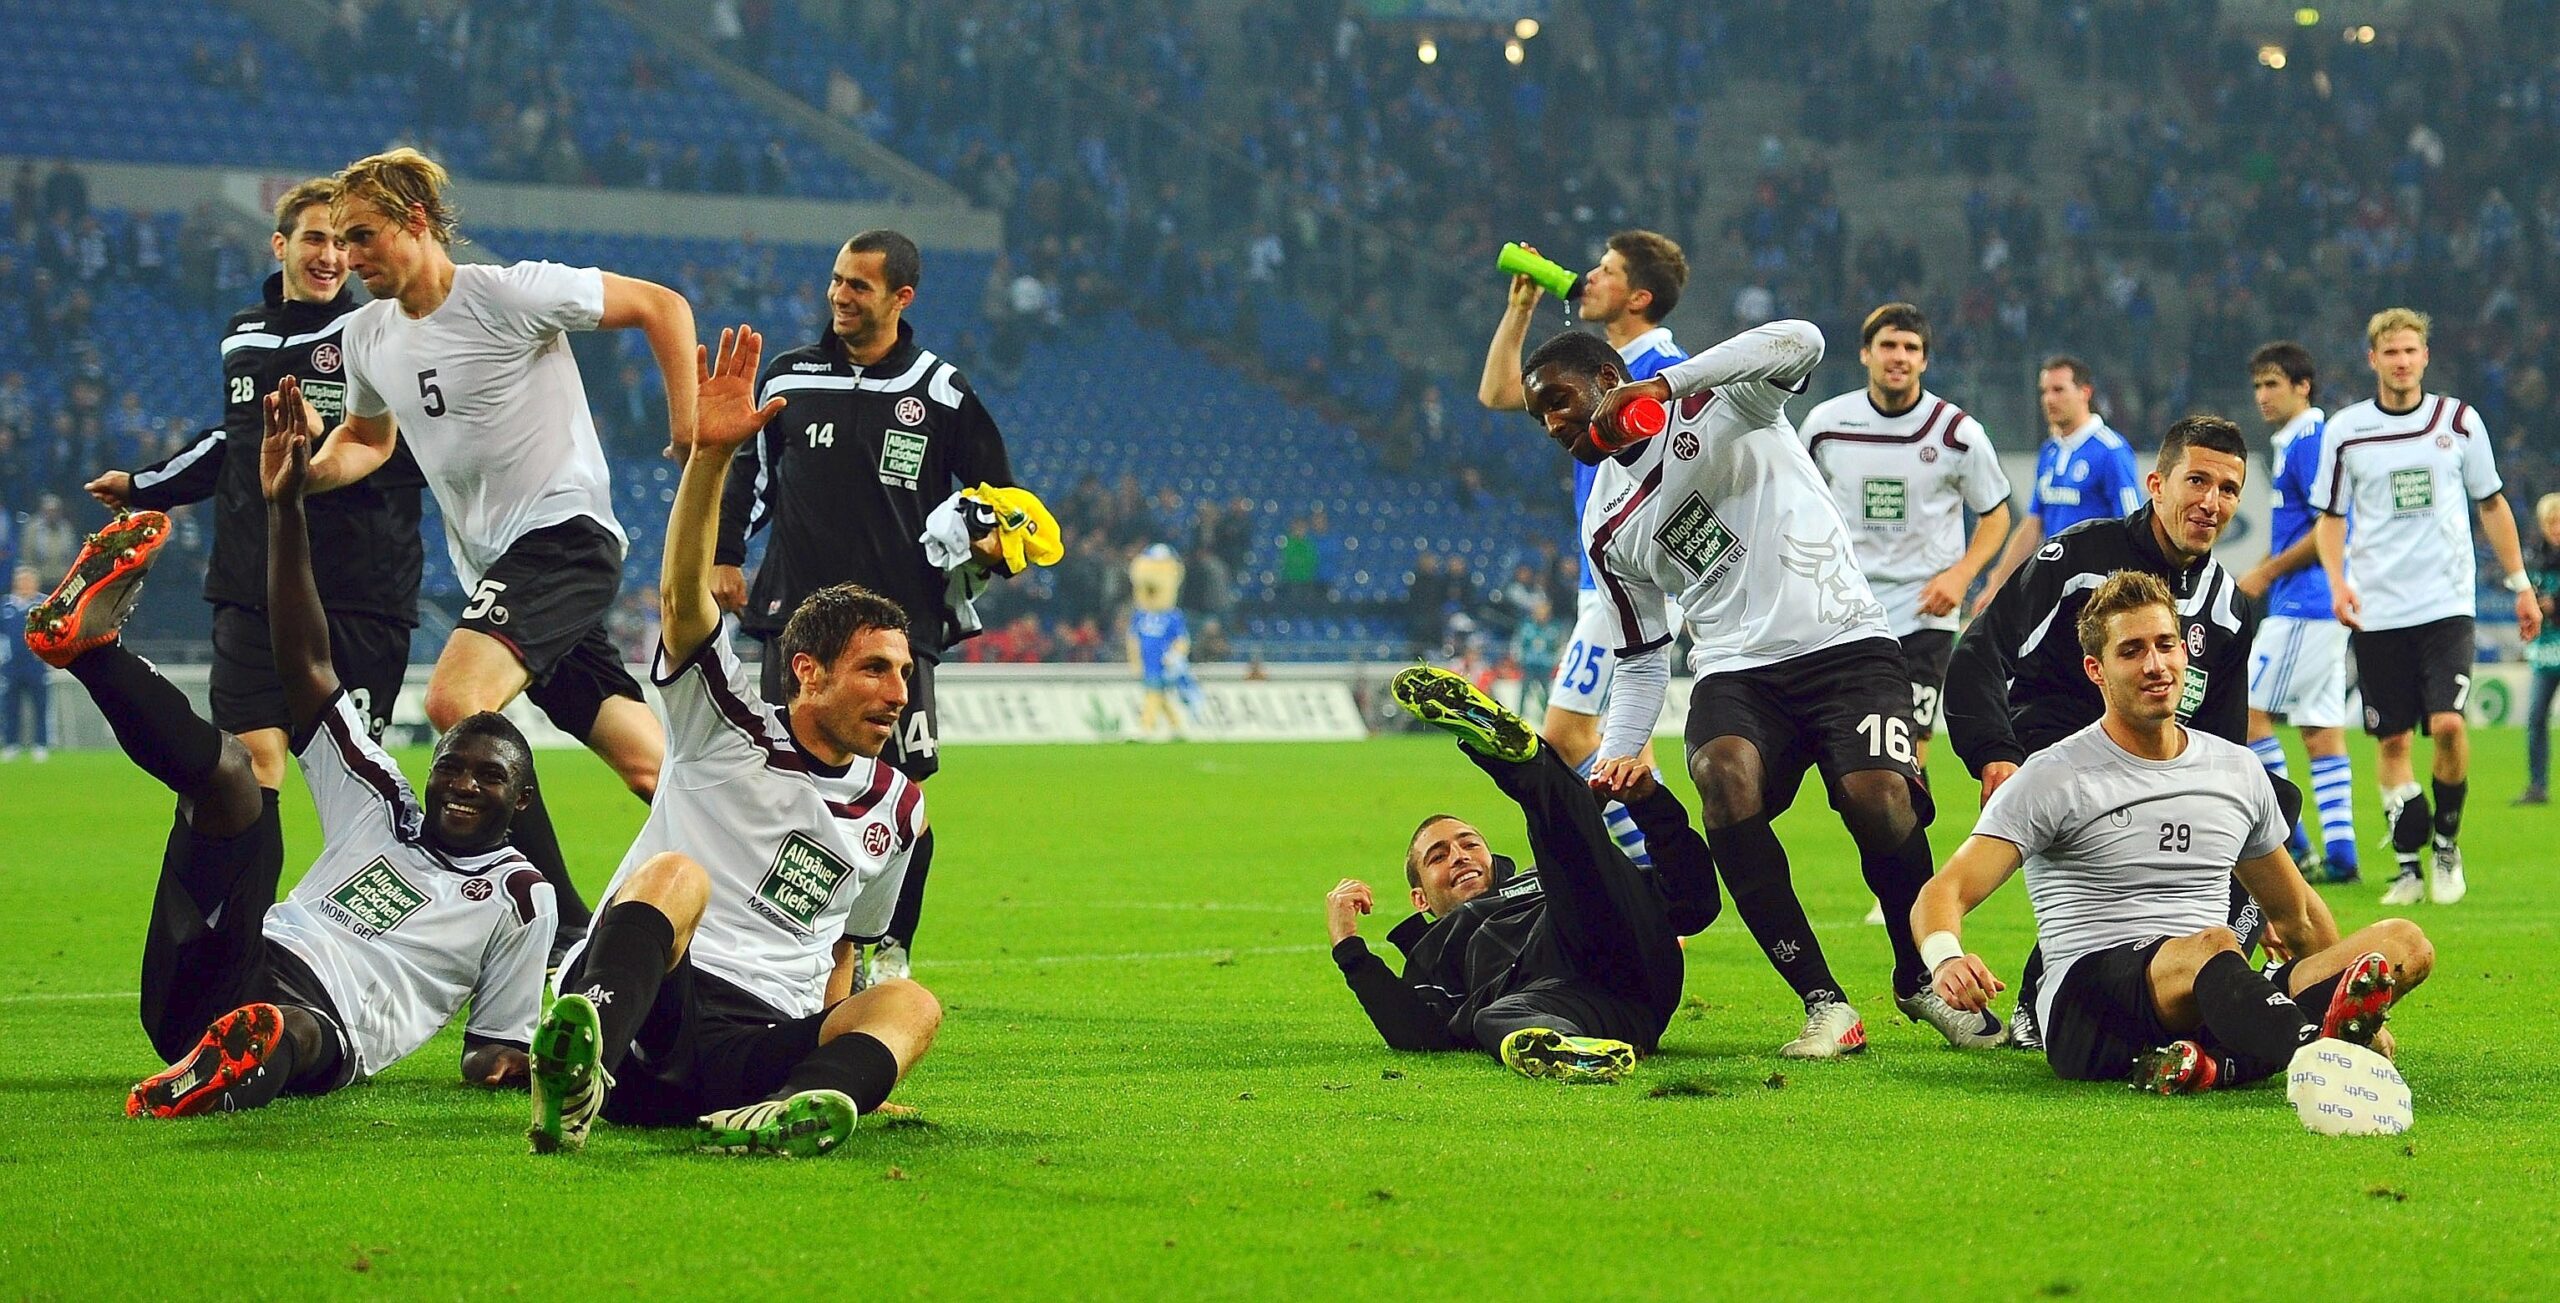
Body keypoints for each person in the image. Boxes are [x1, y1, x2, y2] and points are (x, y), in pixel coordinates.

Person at [20, 404, 555, 1119]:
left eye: (489, 777)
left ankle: (222, 1068)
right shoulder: (383, 803)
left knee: (298, 1030)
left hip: (326, 1018)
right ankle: (90, 652)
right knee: (232, 774)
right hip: (224, 966)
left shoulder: (520, 892)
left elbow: (490, 1046)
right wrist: (284, 508)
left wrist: (530, 1065)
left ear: (520, 802)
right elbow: (306, 663)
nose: (461, 782)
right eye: (453, 764)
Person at [1525, 322, 2002, 1057]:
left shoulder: (1723, 405)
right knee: (1723, 777)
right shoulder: (1604, 527)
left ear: (1608, 375)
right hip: (1734, 672)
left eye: (1559, 399)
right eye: (1541, 415)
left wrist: (1670, 384)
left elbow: (1805, 339)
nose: (1555, 422)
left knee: (1879, 796)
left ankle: (1918, 977)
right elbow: (1645, 653)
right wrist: (1620, 750)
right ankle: (1825, 1004)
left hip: (1848, 644)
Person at [531, 326, 942, 1159]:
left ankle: (795, 1108)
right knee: (678, 873)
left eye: (902, 672)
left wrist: (853, 1051)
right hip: (657, 1014)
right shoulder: (723, 721)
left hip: (753, 1050)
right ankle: (578, 1073)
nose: (898, 692)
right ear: (808, 672)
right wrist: (710, 462)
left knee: (912, 1004)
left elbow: (846, 948)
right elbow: (683, 598)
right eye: (873, 669)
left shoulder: (897, 807)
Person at [287, 148, 699, 945]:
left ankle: (559, 927)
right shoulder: (366, 336)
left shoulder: (505, 293)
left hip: (563, 539)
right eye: (339, 240)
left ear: (416, 221)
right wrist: (301, 473)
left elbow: (663, 305)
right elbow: (366, 443)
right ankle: (770, 881)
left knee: (453, 704)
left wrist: (686, 429)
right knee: (654, 768)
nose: (347, 257)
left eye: (363, 237)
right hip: (501, 569)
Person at [1915, 570, 2433, 1094]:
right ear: (2096, 670)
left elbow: (2294, 914)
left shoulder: (2236, 769)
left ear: (2185, 652)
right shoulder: (2055, 774)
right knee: (2212, 946)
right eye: (2132, 651)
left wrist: (2344, 989)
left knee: (2403, 943)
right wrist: (1947, 958)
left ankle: (2211, 1064)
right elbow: (1945, 891)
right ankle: (2321, 1057)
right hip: (2089, 1006)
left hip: (2220, 986)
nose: (2155, 665)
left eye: (2166, 645)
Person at [714, 229, 1021, 985]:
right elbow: (749, 476)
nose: (840, 296)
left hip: (900, 628)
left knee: (900, 796)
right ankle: (783, 949)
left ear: (900, 298)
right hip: (797, 623)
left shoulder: (940, 390)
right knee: (784, 783)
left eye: (859, 286)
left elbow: (998, 503)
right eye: (837, 281)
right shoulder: (789, 375)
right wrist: (724, 553)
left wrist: (991, 546)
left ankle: (889, 951)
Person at [88, 178, 425, 789]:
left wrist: (329, 444)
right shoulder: (242, 333)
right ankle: (245, 891)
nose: (329, 256)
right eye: (315, 238)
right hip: (251, 588)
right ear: (279, 244)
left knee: (352, 786)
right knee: (248, 772)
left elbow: (421, 453)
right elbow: (234, 445)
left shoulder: (378, 333)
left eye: (342, 242)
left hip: (355, 593)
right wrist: (143, 486)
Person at [1944, 415, 2262, 1051]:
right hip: (2061, 759)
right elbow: (1980, 650)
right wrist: (1996, 756)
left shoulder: (2229, 606)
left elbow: (2226, 747)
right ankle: (2052, 989)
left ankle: (2188, 989)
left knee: (2269, 808)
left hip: (2158, 768)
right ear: (2156, 484)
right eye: (2196, 481)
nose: (2210, 502)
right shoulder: (2080, 557)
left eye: (2228, 489)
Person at [1327, 666, 1718, 1080]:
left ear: (1492, 860)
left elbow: (1692, 906)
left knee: (1563, 833)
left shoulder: (1541, 883)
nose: (1459, 855)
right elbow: (1418, 1031)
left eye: (1469, 843)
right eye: (1437, 857)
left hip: (1619, 944)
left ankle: (1518, 758)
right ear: (1420, 899)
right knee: (1496, 1018)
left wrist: (1651, 806)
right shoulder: (1434, 955)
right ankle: (1569, 1052)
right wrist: (1348, 948)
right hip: (1587, 1009)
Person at [2313, 308, 2540, 907]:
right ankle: (2410, 865)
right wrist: (2337, 583)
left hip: (2446, 604)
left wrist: (2519, 583)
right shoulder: (2347, 431)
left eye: (2412, 350)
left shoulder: (2458, 422)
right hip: (2378, 610)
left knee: (2447, 724)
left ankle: (2445, 842)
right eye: (2391, 353)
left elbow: (2491, 504)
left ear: (2426, 356)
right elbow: (2330, 518)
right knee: (2391, 745)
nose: (2402, 361)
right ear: (2373, 359)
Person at [1477, 231, 1688, 866]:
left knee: (1567, 738)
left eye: (1607, 271)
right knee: (1632, 752)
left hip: (1635, 580)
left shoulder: (1666, 370)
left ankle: (1655, 880)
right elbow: (1499, 394)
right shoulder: (1594, 364)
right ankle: (1668, 882)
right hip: (1602, 578)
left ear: (1639, 296)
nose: (1588, 278)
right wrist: (1521, 307)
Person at [1798, 303, 2013, 772]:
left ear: (1924, 361)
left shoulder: (1958, 433)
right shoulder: (1825, 425)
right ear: (1864, 354)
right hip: (1847, 606)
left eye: (1911, 348)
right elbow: (1795, 508)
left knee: (1910, 751)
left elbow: (1996, 516)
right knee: (1850, 751)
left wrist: (1960, 576)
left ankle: (1909, 836)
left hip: (1925, 610)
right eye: (1888, 345)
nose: (1899, 357)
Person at [2233, 342, 2358, 882]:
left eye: (2273, 385)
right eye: (2258, 385)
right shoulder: (2297, 442)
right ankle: (2342, 854)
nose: (2262, 396)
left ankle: (2289, 846)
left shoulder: (2309, 441)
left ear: (2303, 386)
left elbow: (2327, 527)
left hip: (2305, 606)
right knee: (2320, 731)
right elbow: (2296, 532)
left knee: (2245, 716)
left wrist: (2266, 574)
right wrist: (2258, 571)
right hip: (2311, 604)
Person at [1975, 356, 2141, 612]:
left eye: (2058, 390)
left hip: (2096, 597)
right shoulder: (2050, 451)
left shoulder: (2111, 451)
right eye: (2044, 391)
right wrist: (1997, 581)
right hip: (2054, 591)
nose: (2049, 399)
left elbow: (2133, 528)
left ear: (2085, 392)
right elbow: (2033, 524)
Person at [1128, 543, 1198, 738]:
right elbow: (1133, 639)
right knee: (1161, 696)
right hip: (1148, 662)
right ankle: (1177, 727)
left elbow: (1182, 639)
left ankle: (1146, 728)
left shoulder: (1173, 616)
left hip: (1164, 664)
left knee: (1153, 694)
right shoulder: (1140, 615)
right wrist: (1135, 661)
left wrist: (1176, 656)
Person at [2517, 494, 2560, 805]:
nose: (2556, 528)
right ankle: (2537, 786)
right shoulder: (2534, 559)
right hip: (2546, 652)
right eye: (2551, 522)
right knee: (2535, 718)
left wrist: (2555, 606)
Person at [1, 564, 49, 760]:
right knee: (10, 706)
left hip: (35, 664)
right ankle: (11, 743)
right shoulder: (6, 606)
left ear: (35, 583)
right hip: (11, 665)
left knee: (40, 705)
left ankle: (41, 744)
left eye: (28, 581)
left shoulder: (44, 605)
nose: (25, 584)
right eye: (21, 581)